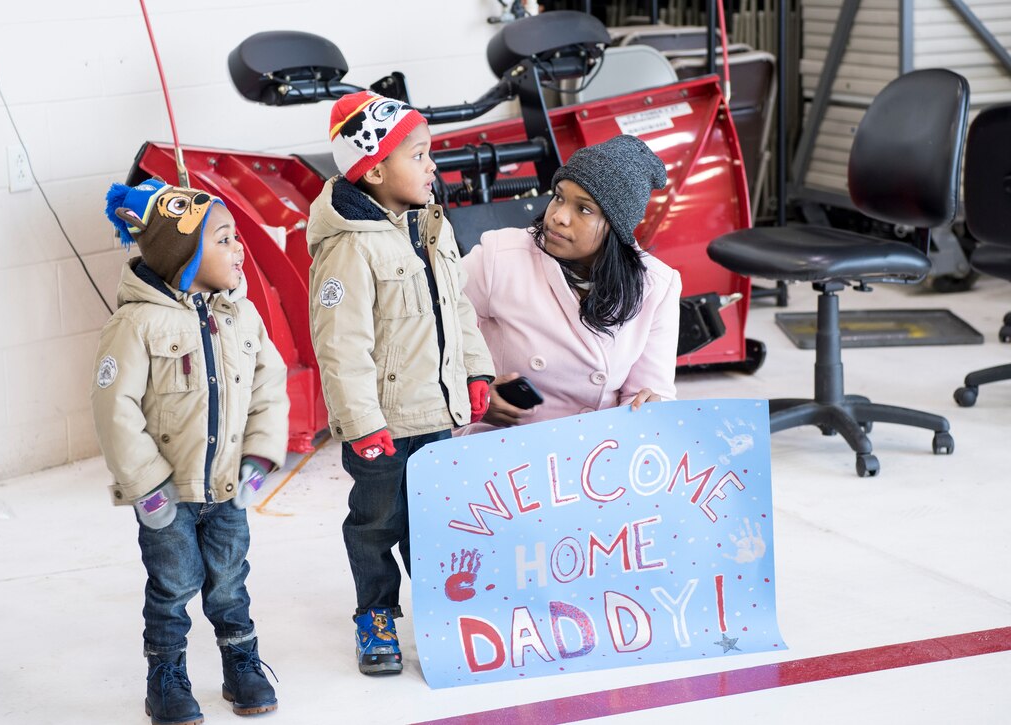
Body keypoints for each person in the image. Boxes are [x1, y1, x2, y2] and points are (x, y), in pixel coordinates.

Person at [306, 91, 495, 675]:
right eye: (420, 155)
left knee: (438, 523)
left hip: (438, 414)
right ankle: (377, 614)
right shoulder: (348, 249)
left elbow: (457, 307)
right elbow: (341, 349)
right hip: (385, 426)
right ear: (377, 167)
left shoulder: (432, 228)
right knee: (377, 524)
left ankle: (445, 615)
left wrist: (476, 369)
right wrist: (362, 425)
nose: (433, 167)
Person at [93, 178, 288, 724]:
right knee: (173, 585)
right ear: (185, 255)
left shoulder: (241, 316)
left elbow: (269, 388)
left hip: (229, 483)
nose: (239, 249)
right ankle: (166, 675)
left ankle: (241, 663)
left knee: (230, 581)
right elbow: (114, 410)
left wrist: (261, 456)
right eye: (224, 239)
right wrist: (144, 486)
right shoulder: (134, 324)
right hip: (166, 496)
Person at [459, 134, 681, 433]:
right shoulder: (500, 257)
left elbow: (650, 391)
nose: (559, 216)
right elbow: (428, 339)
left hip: (593, 453)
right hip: (499, 452)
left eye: (584, 209)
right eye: (559, 197)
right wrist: (473, 397)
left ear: (616, 226)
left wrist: (652, 405)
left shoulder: (655, 286)